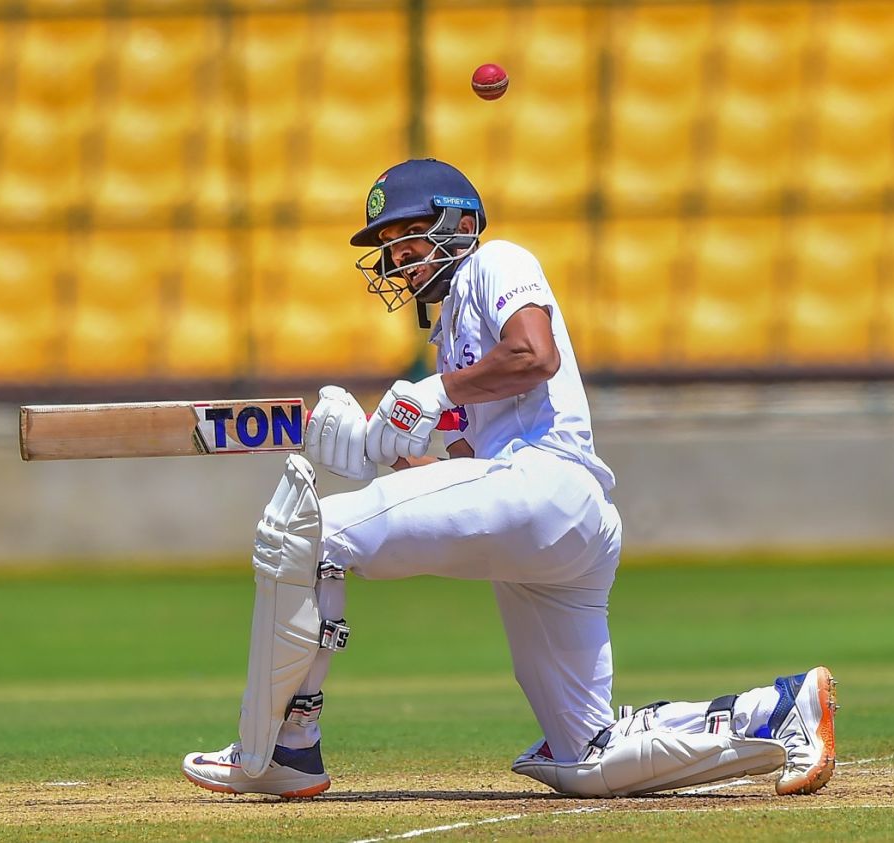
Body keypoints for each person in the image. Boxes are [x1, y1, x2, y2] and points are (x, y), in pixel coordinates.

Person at [180, 159, 837, 799]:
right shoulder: (450, 336)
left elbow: (535, 354)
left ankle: (286, 745)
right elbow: (466, 480)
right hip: (548, 521)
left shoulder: (497, 261)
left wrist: (434, 393)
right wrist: (376, 450)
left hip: (546, 484)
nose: (397, 260)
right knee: (585, 755)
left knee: (311, 533)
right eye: (388, 247)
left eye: (405, 239)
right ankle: (778, 709)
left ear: (454, 225)